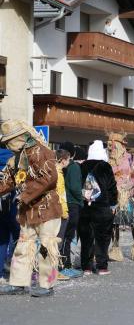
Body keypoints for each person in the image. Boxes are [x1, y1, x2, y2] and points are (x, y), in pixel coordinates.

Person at [0, 121, 62, 297]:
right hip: (28, 210)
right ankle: (18, 283)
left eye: (10, 141)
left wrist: (26, 194)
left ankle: (46, 285)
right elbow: (8, 181)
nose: (8, 145)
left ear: (19, 138)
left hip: (47, 208)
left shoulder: (41, 151)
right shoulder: (17, 158)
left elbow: (50, 177)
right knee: (23, 245)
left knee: (46, 246)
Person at [78, 140, 117, 275]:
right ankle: (101, 266)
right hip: (102, 208)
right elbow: (112, 187)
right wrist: (113, 204)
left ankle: (87, 267)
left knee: (86, 237)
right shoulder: (105, 166)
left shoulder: (82, 166)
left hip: (85, 208)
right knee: (102, 238)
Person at [107, 133, 134, 261]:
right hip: (114, 197)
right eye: (110, 146)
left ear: (121, 145)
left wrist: (129, 187)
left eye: (113, 145)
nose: (111, 148)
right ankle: (115, 250)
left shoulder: (132, 159)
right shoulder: (108, 161)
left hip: (128, 196)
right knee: (114, 224)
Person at [58, 142, 84, 278]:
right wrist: (81, 200)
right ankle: (64, 266)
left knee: (64, 236)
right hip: (72, 204)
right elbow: (75, 187)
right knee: (67, 236)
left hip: (62, 203)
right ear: (71, 154)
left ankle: (65, 265)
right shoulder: (74, 167)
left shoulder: (59, 166)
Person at [0, 147, 19, 285]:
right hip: (12, 204)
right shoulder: (13, 157)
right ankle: (18, 273)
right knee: (19, 239)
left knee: (1, 239)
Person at [54, 149, 70, 281]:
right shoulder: (58, 175)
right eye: (68, 159)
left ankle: (46, 270)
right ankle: (53, 271)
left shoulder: (54, 172)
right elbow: (60, 196)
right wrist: (65, 213)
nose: (68, 162)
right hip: (59, 213)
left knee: (49, 242)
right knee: (56, 243)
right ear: (63, 160)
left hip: (53, 212)